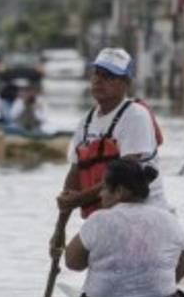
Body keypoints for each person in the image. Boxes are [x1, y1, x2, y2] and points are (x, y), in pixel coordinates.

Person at [63, 159, 184, 297]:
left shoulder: (98, 220)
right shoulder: (170, 220)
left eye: (105, 188)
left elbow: (72, 263)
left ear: (119, 191)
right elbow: (179, 272)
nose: (100, 195)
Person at [56, 47, 166, 228]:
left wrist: (78, 200)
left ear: (126, 83)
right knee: (74, 254)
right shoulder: (85, 122)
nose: (99, 80)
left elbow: (123, 177)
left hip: (145, 216)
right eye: (96, 74)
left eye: (108, 76)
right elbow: (74, 175)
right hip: (106, 219)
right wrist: (60, 229)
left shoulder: (136, 116)